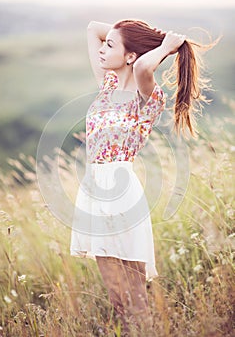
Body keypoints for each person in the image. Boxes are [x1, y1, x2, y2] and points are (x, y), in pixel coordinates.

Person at [70, 19, 215, 335]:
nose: (101, 49)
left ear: (131, 57)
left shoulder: (148, 95)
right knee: (116, 296)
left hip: (120, 192)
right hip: (94, 190)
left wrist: (163, 49)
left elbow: (142, 70)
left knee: (134, 297)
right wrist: (139, 37)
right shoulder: (108, 85)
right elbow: (92, 27)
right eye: (105, 44)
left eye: (111, 46)